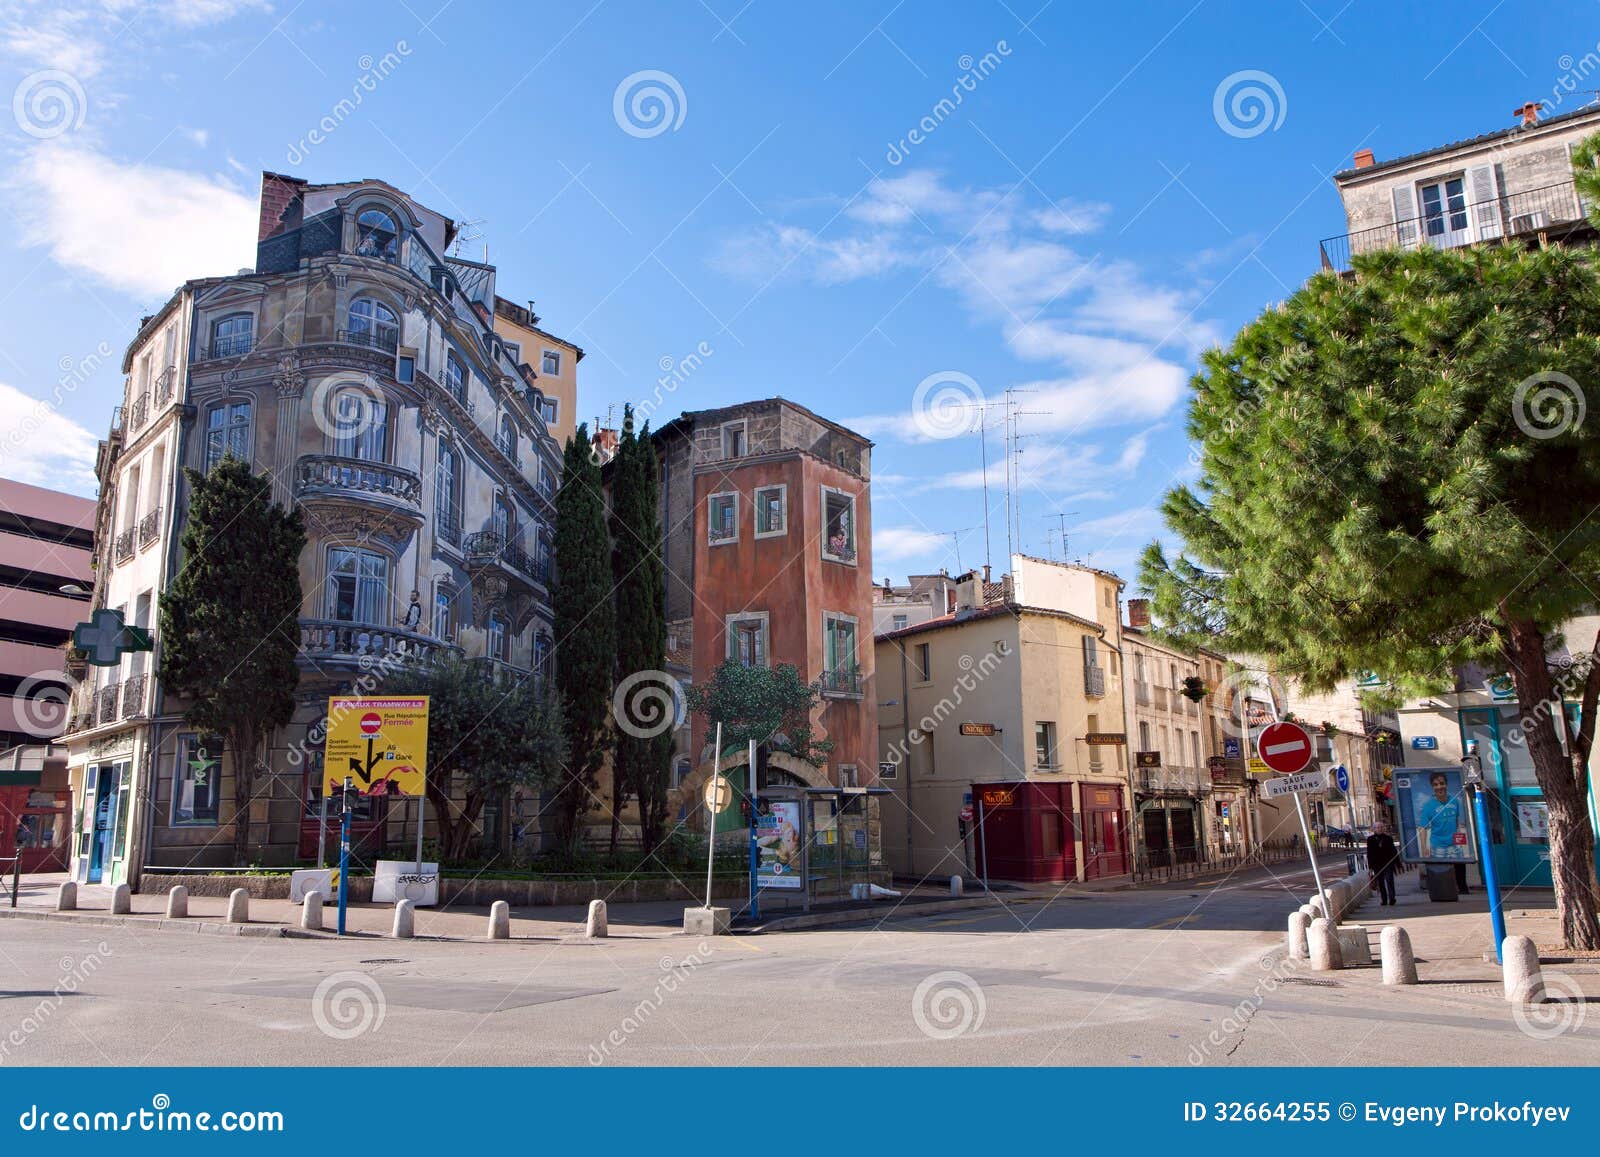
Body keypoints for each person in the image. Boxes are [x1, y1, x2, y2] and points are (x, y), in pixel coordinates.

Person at [1366, 820, 1401, 906]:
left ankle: (1392, 898)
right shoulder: (1370, 839)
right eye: (1377, 827)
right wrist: (1370, 866)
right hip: (1377, 864)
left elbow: (1393, 851)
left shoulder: (1388, 838)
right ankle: (1384, 899)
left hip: (1388, 863)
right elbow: (1369, 853)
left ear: (1383, 828)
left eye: (1381, 827)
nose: (1379, 829)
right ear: (1374, 829)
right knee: (1380, 882)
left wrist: (1398, 863)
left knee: (1389, 880)